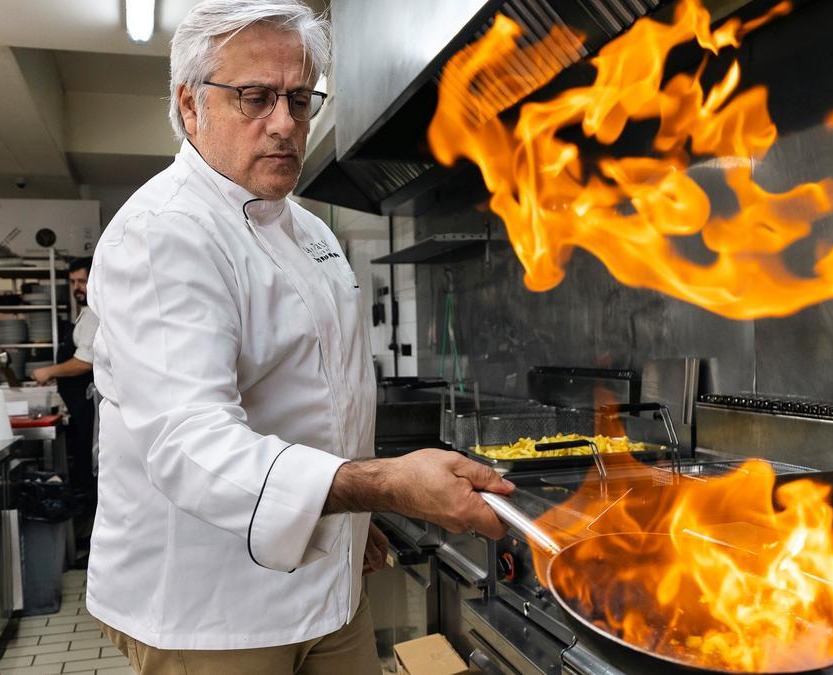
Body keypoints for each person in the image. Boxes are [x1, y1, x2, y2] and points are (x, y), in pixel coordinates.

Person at [85, 2, 513, 673]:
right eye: (254, 98)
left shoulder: (308, 232)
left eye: (300, 99)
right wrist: (384, 487)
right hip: (212, 608)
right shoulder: (162, 233)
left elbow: (328, 393)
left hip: (328, 581)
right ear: (190, 106)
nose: (285, 124)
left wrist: (352, 523)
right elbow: (192, 445)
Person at [32, 256, 99, 501]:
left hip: (89, 409)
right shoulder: (85, 314)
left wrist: (50, 371)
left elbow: (84, 362)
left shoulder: (94, 314)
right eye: (73, 282)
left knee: (88, 468)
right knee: (83, 463)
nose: (77, 287)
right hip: (80, 408)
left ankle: (85, 533)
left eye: (82, 281)